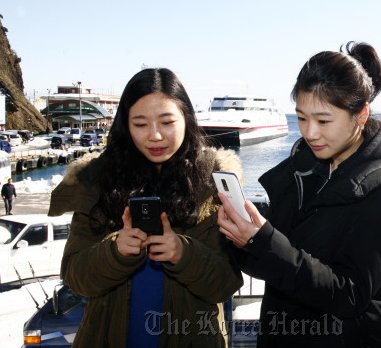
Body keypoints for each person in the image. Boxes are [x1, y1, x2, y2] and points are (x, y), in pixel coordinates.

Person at [217, 41, 381, 347]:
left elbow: (350, 294)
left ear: (360, 115)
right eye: (301, 117)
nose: (309, 132)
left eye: (323, 120)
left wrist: (264, 241)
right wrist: (242, 237)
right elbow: (278, 263)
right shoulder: (301, 171)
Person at [48, 68, 243, 348]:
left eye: (167, 122)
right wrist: (115, 251)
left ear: (186, 120)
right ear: (125, 126)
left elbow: (225, 283)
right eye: (140, 124)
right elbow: (76, 277)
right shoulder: (97, 180)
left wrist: (183, 253)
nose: (155, 136)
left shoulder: (212, 182)